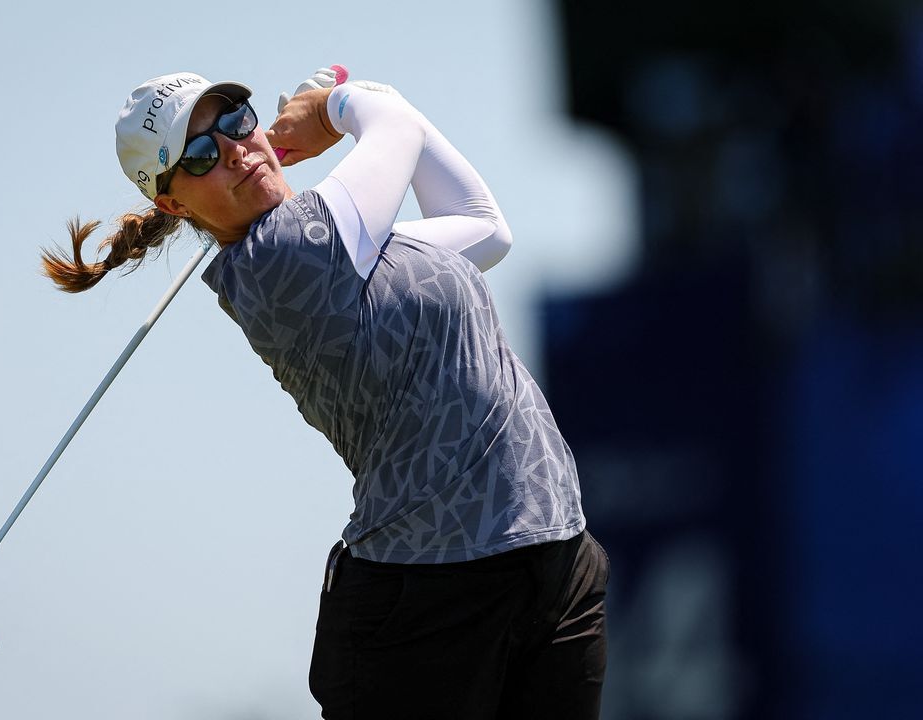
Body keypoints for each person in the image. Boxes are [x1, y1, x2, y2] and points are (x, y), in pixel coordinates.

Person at [42, 67, 610, 720]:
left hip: (555, 558)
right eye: (199, 156)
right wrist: (335, 106)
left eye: (235, 122)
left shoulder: (350, 246)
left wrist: (363, 105)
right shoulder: (284, 257)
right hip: (427, 603)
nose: (233, 150)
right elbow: (393, 127)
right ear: (174, 206)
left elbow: (482, 229)